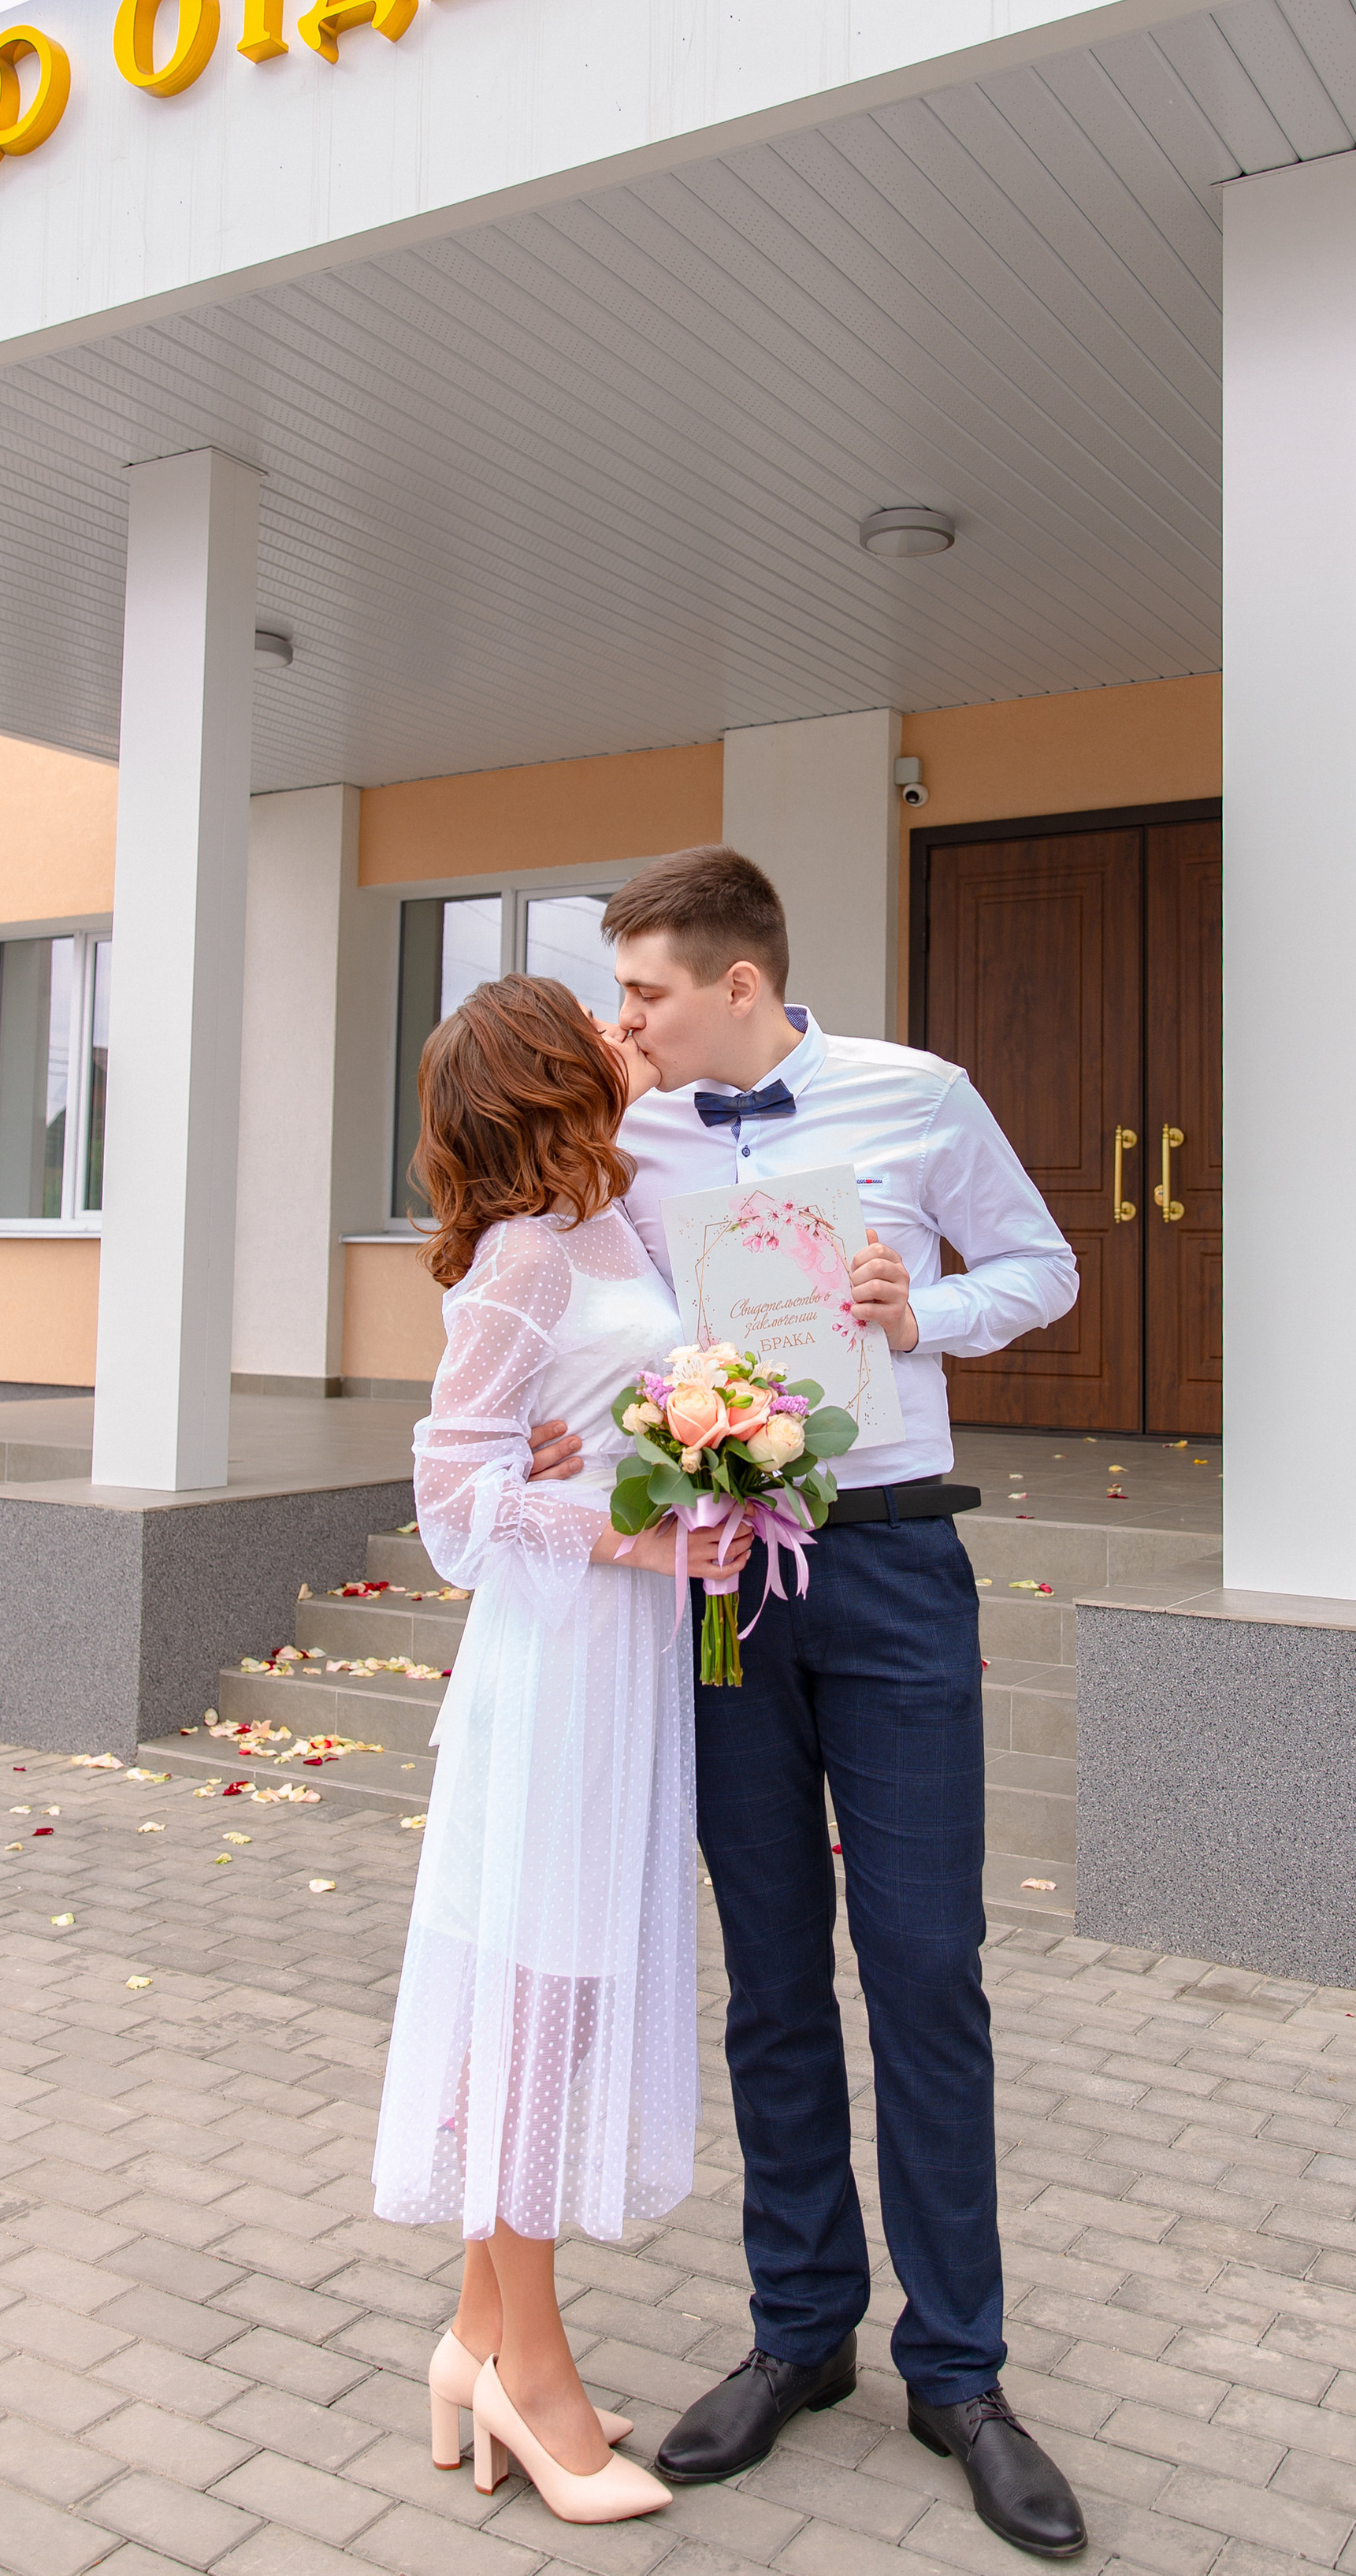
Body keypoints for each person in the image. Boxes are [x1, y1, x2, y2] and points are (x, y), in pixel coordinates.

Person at [533, 843, 1089, 2558]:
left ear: (739, 985)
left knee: (923, 1968)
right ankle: (797, 2337)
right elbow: (563, 1305)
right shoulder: (622, 1133)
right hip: (717, 1584)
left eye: (640, 992)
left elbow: (1041, 1269)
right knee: (768, 1970)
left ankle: (960, 2372)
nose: (619, 1020)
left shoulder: (919, 1097)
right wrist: (565, 1432)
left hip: (897, 1568)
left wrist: (910, 1314)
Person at [370, 972, 723, 2529]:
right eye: (588, 1022)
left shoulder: (614, 1217)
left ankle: (467, 2338)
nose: (615, 1031)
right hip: (556, 1665)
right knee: (539, 2001)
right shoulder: (520, 1256)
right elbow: (451, 1503)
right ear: (539, 1077)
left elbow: (612, 1402)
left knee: (551, 1994)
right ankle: (532, 2375)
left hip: (616, 1667)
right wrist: (627, 1528)